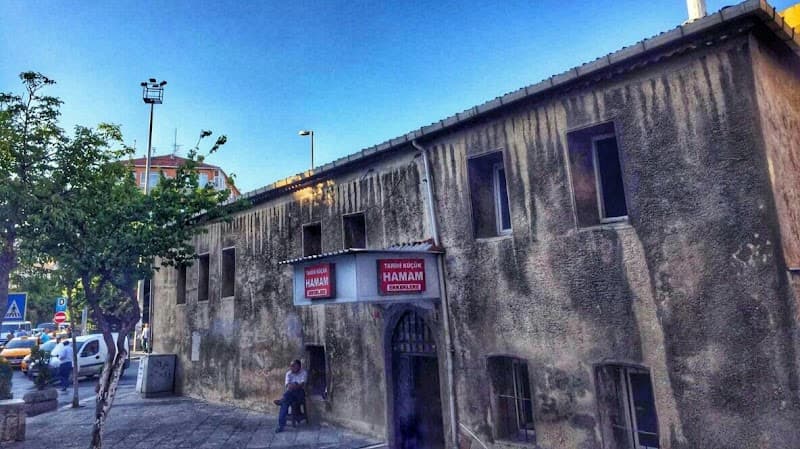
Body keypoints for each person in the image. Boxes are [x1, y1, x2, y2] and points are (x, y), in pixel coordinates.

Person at [273, 359, 307, 433]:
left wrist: (295, 385)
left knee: (288, 394)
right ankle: (281, 426)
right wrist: (295, 385)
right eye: (291, 366)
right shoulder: (288, 373)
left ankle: (281, 401)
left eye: (293, 366)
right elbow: (288, 386)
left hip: (300, 394)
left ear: (299, 366)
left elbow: (302, 385)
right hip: (290, 395)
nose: (291, 367)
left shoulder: (303, 372)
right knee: (285, 404)